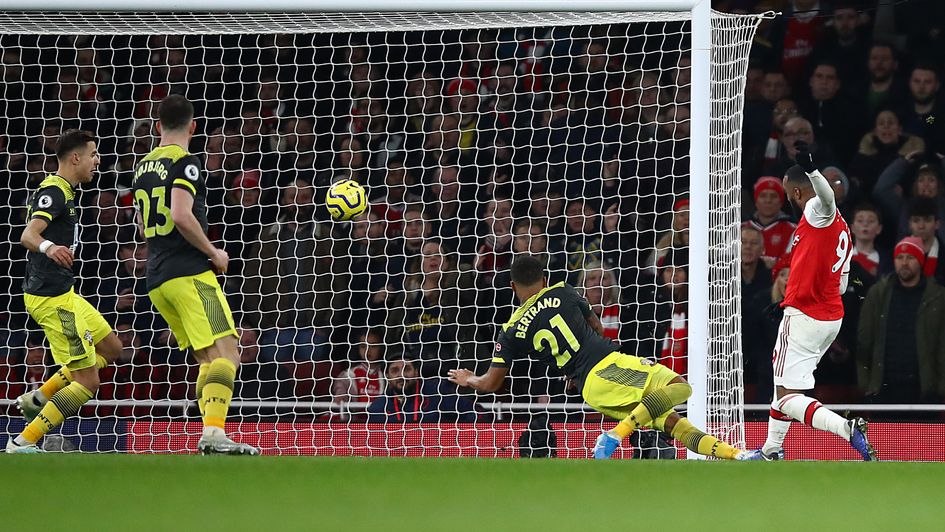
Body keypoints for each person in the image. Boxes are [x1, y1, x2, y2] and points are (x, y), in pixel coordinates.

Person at [447, 255, 747, 460]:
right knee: (682, 388)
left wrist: (467, 378)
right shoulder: (563, 291)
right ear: (545, 278)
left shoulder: (510, 329)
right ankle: (614, 435)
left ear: (513, 286)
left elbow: (490, 382)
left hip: (590, 384)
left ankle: (738, 455)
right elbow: (597, 326)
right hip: (607, 367)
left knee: (675, 424)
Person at [131, 95, 258, 455]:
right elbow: (181, 215)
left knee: (206, 358)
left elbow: (142, 225)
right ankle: (215, 434)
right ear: (193, 127)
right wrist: (213, 252)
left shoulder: (142, 166)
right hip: (190, 274)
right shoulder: (185, 163)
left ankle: (209, 434)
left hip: (157, 277)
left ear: (158, 127)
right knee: (228, 354)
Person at [743, 142, 877, 461]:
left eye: (790, 193)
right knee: (783, 384)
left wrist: (813, 170)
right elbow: (842, 283)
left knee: (789, 398)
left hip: (806, 315)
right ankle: (771, 450)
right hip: (828, 317)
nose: (790, 199)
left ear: (798, 192)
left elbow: (827, 199)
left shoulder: (819, 212)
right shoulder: (842, 229)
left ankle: (847, 429)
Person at [7, 130, 123, 453]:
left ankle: (39, 396)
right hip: (52, 300)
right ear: (76, 158)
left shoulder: (67, 192)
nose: (97, 161)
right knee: (88, 381)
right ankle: (23, 441)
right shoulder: (54, 192)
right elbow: (28, 234)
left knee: (112, 347)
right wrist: (48, 247)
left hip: (65, 293)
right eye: (94, 154)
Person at [857, 237, 945, 404]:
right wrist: (865, 384)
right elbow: (864, 341)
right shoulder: (878, 293)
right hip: (882, 389)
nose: (904, 263)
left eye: (910, 257)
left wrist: (940, 388)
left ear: (920, 261)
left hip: (924, 391)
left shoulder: (938, 296)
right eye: (900, 258)